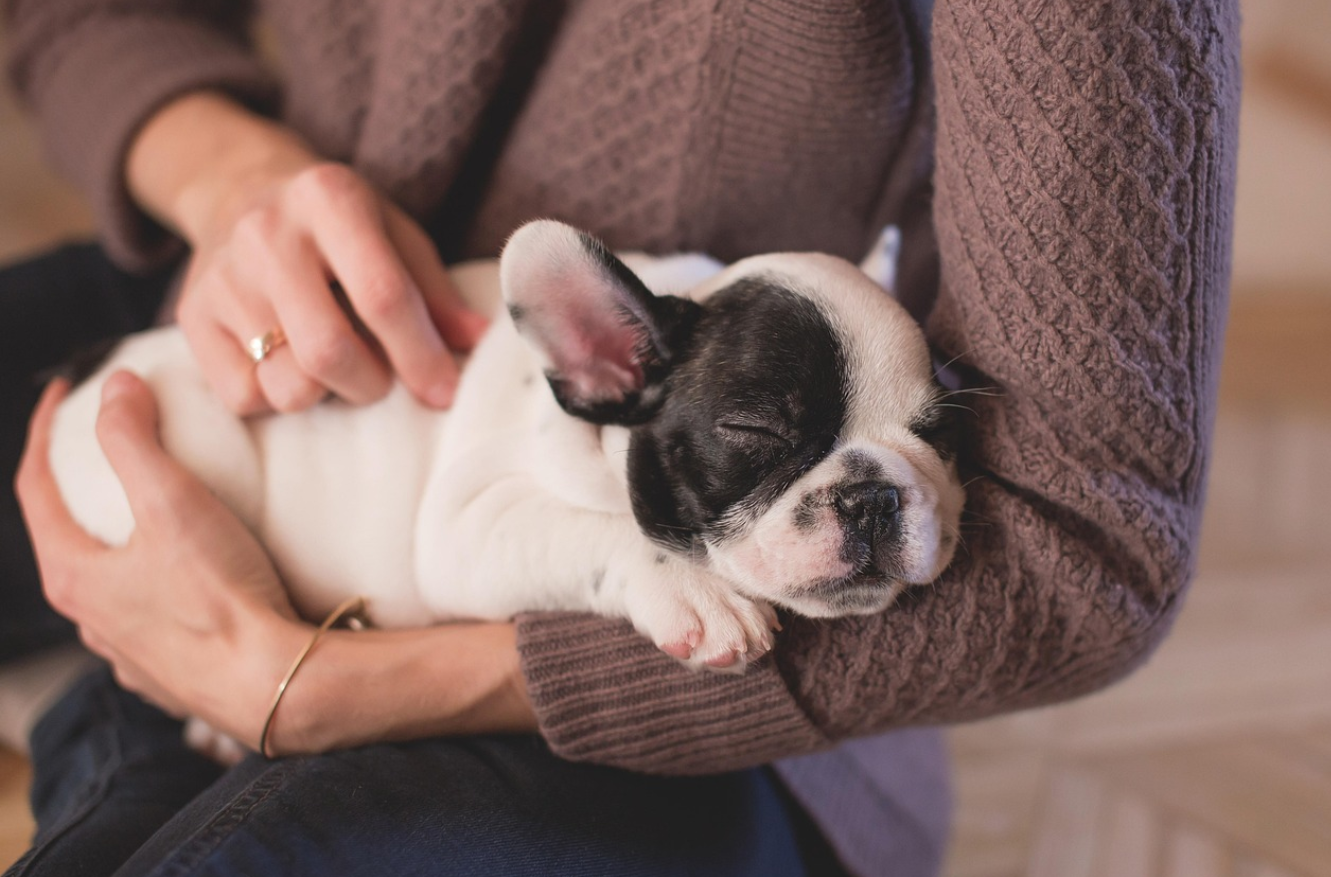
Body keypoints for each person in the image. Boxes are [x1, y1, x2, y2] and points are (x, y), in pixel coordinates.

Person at [0, 0, 1241, 874]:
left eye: (924, 440)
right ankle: (126, 726)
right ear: (596, 366)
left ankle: (110, 738)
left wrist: (311, 689)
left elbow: (1086, 544)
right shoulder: (625, 356)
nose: (871, 494)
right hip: (263, 331)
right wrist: (230, 177)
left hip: (692, 726)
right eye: (769, 441)